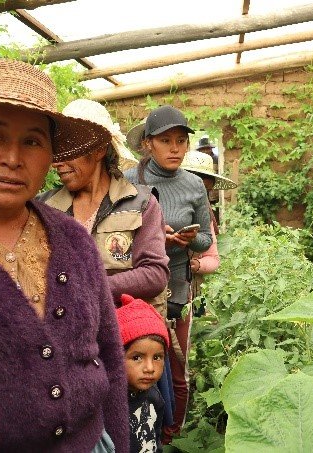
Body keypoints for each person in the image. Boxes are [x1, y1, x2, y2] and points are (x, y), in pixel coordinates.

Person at [0, 58, 128, 451]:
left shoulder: (74, 241)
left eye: (32, 141)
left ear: (49, 156)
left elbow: (110, 357)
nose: (13, 158)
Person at [124, 105, 212, 441]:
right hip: (138, 283)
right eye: (166, 141)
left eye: (180, 141)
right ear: (148, 144)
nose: (175, 148)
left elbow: (206, 238)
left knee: (176, 364)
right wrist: (154, 234)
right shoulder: (130, 182)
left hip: (176, 285)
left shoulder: (193, 185)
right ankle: (133, 431)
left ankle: (171, 432)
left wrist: (189, 240)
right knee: (135, 361)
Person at [39, 99, 170, 316]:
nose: (57, 162)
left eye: (70, 150)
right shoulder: (45, 207)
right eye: (57, 150)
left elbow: (154, 274)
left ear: (99, 150)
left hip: (123, 333)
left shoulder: (140, 203)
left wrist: (90, 288)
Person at [180, 150, 237, 308]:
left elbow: (214, 258)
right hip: (164, 289)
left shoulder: (205, 218)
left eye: (203, 190)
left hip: (195, 289)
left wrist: (199, 265)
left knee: (198, 324)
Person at [116, 294, 169, 453]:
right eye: (137, 357)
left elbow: (155, 439)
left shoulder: (154, 396)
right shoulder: (108, 402)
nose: (150, 368)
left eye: (157, 357)